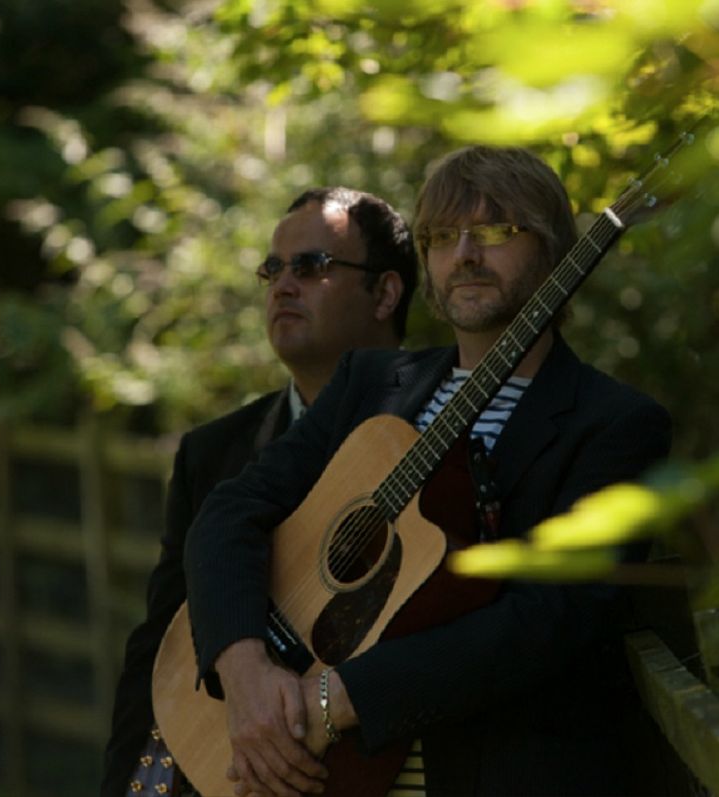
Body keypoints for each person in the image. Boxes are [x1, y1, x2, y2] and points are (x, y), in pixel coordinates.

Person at [184, 146, 674, 797]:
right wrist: (244, 671)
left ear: (554, 252)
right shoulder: (369, 382)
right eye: (442, 236)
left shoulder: (615, 423)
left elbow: (550, 617)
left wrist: (334, 698)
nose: (465, 253)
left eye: (497, 231)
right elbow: (231, 510)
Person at [101, 186, 417, 797]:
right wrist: (126, 786)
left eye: (312, 266)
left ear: (385, 293)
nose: (283, 285)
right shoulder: (211, 453)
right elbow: (160, 639)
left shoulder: (438, 429)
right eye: (272, 269)